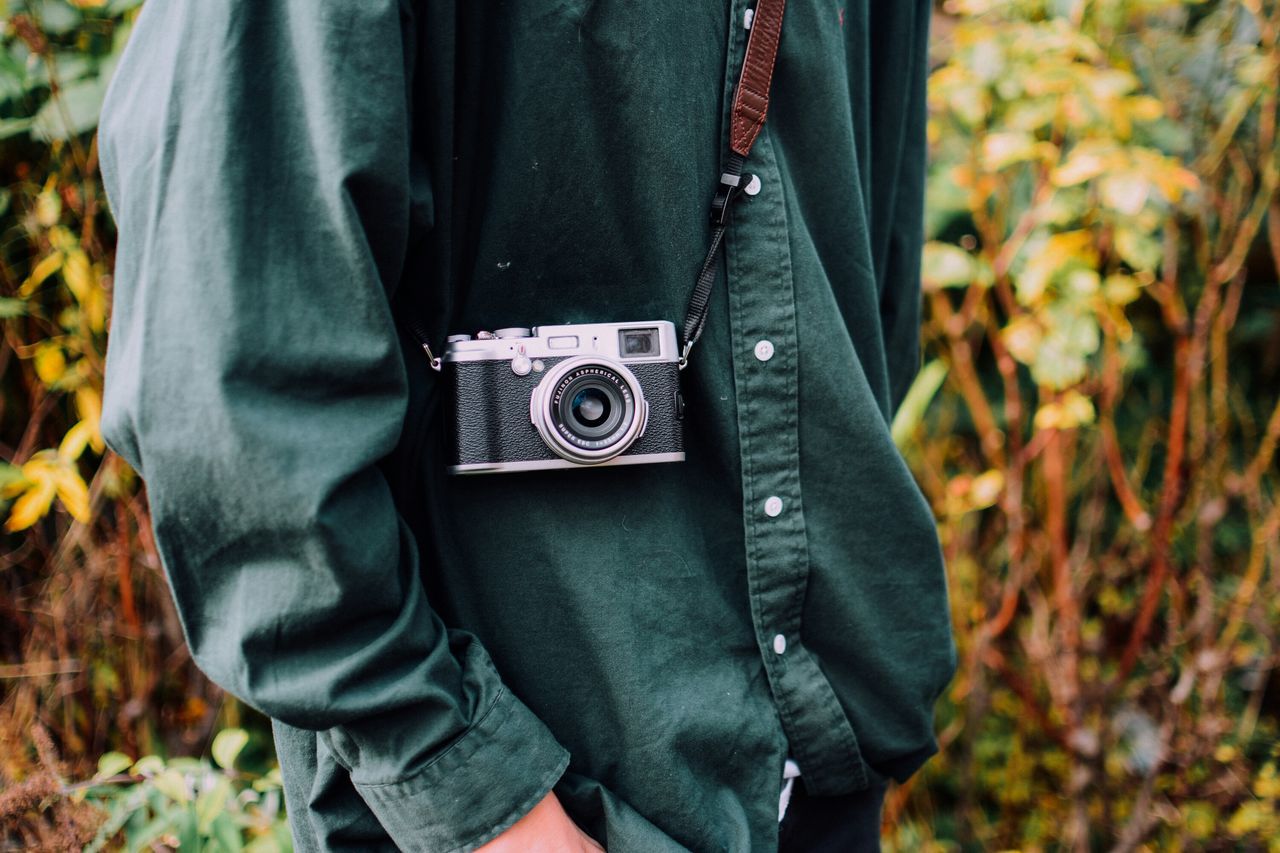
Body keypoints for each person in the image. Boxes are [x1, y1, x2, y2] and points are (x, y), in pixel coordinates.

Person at [96, 0, 956, 850]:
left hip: (818, 770)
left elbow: (865, 297)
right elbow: (227, 372)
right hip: (533, 790)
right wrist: (467, 782)